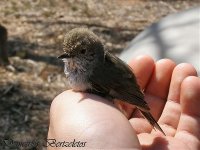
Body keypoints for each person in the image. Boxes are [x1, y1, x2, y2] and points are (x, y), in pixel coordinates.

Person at [48, 55, 200, 150]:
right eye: (68, 53)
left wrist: (139, 102)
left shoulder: (94, 73)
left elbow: (121, 88)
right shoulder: (89, 66)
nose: (69, 57)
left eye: (80, 53)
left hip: (124, 91)